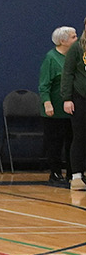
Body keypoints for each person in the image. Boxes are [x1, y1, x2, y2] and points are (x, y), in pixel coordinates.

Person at [39, 25, 76, 185]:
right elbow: (44, 84)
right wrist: (47, 103)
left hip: (72, 109)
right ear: (63, 41)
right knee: (55, 143)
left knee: (72, 141)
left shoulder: (74, 57)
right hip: (55, 109)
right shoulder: (51, 58)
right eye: (74, 37)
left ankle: (72, 173)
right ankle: (54, 172)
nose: (77, 39)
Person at [63, 13, 86, 190]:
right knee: (79, 137)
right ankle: (76, 176)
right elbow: (68, 73)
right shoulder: (77, 48)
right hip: (80, 97)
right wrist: (67, 98)